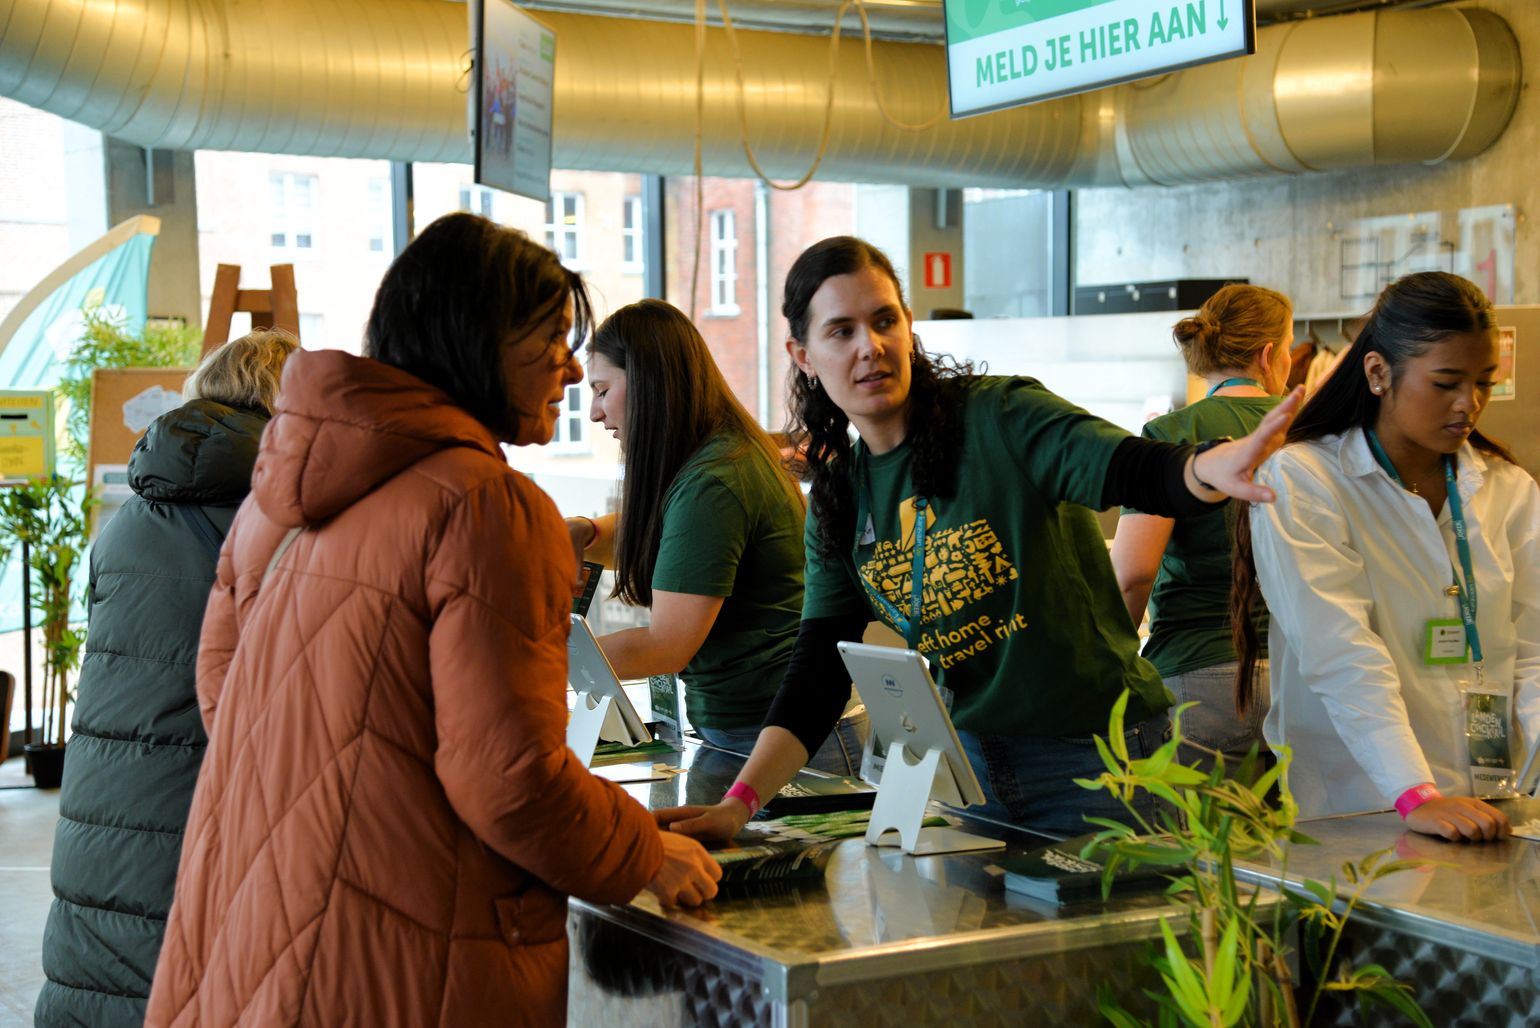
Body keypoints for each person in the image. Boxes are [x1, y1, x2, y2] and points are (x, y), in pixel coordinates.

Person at [145, 214, 719, 1028]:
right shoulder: (486, 505)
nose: (565, 367)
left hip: (251, 921)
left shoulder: (274, 504)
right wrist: (641, 850)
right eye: (550, 337)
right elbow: (508, 780)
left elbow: (227, 699)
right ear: (473, 336)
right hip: (410, 961)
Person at [659, 236, 1302, 842]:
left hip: (1102, 764)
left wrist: (1203, 469)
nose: (870, 346)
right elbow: (820, 667)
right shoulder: (842, 493)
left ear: (909, 327)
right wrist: (738, 806)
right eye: (842, 330)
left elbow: (1126, 466)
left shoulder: (1001, 416)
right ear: (804, 354)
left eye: (886, 321)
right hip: (972, 772)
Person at [33, 329, 298, 1028]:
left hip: (101, 797)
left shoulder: (126, 521)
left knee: (103, 965)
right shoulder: (272, 518)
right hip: (201, 793)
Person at [1237, 271, 1539, 842]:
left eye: (1484, 382)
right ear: (1379, 373)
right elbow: (1341, 652)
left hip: (1495, 804)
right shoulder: (1305, 480)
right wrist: (1413, 792)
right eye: (1446, 382)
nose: (1468, 404)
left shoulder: (1507, 488)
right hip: (1362, 804)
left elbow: (1534, 653)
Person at [567, 299, 864, 773]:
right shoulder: (716, 456)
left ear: (647, 382)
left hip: (777, 734)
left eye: (602, 389)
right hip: (764, 726)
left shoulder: (715, 481)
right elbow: (673, 537)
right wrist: (586, 532)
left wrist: (538, 661)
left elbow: (666, 644)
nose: (596, 413)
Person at [1111, 284, 1293, 771]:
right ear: (1270, 354)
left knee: (1196, 843)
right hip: (1303, 680)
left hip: (1196, 676)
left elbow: (1132, 574)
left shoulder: (1170, 436)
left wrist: (1108, 673)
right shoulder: (1312, 433)